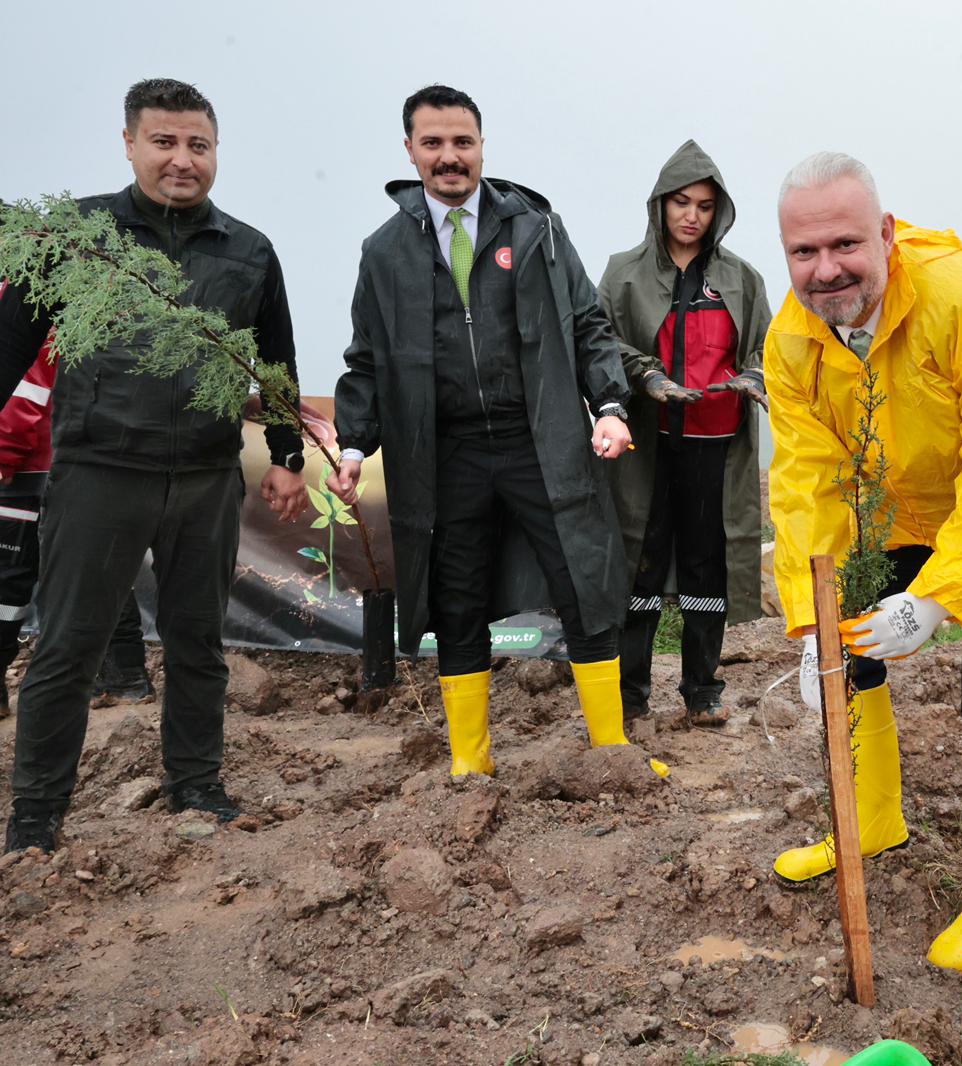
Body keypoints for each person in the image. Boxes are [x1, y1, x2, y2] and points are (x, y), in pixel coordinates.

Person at [765, 152, 962, 970]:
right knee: (849, 647)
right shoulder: (792, 339)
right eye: (804, 253)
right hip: (900, 505)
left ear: (884, 234)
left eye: (844, 245)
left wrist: (938, 597)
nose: (825, 269)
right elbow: (808, 478)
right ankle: (872, 822)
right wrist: (813, 624)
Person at [0, 79, 309, 853]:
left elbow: (275, 363)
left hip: (205, 481)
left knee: (199, 643)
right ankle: (36, 822)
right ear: (129, 143)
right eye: (164, 142)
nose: (182, 160)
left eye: (197, 145)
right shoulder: (77, 237)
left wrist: (287, 456)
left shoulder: (249, 249)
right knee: (68, 646)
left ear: (215, 152)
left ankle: (198, 788)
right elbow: (7, 343)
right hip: (99, 473)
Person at [331, 85, 666, 778]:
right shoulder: (385, 251)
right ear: (410, 151)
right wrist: (354, 443)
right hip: (444, 451)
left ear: (482, 146)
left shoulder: (535, 228)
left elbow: (587, 325)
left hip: (539, 440)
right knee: (456, 600)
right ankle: (468, 764)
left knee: (583, 582)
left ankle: (610, 750)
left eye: (462, 142)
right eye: (433, 144)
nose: (449, 158)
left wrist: (608, 405)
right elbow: (366, 358)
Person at [598, 140, 771, 726]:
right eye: (680, 202)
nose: (691, 215)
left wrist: (752, 375)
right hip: (646, 447)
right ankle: (630, 692)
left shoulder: (742, 278)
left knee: (707, 565)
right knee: (640, 564)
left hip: (715, 445)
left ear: (718, 211)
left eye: (703, 204)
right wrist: (647, 378)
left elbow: (765, 347)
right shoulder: (623, 273)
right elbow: (601, 344)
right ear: (660, 205)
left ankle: (702, 688)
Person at [0, 334, 153, 712]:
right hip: (74, 462)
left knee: (7, 584)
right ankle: (124, 675)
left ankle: (123, 676)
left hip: (32, 469)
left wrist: (3, 454)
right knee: (95, 567)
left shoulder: (27, 296)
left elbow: (25, 387)